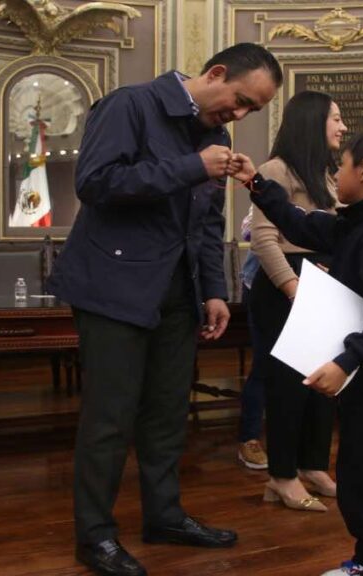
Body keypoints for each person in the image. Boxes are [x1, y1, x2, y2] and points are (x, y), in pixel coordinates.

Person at [46, 43, 281, 576]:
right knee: (110, 418)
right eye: (240, 101)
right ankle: (95, 536)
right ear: (216, 74)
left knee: (167, 415)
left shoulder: (215, 136)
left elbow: (204, 222)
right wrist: (188, 166)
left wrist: (214, 290)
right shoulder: (129, 105)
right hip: (114, 286)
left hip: (178, 294)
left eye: (252, 112)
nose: (239, 117)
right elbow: (96, 184)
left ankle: (165, 516)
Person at [233, 126, 363, 576]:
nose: (335, 172)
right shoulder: (361, 221)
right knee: (358, 476)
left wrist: (348, 360)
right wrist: (256, 184)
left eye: (340, 165)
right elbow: (302, 223)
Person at [249, 90, 347, 511]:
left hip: (325, 286)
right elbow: (264, 238)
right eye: (336, 119)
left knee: (323, 384)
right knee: (288, 386)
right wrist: (294, 289)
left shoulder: (327, 173)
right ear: (312, 122)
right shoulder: (275, 169)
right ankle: (282, 476)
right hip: (286, 288)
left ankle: (313, 465)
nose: (343, 127)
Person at [237, 208, 268, 470]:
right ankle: (249, 438)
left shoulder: (328, 185)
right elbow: (248, 229)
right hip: (261, 284)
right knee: (264, 365)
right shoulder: (274, 178)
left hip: (307, 283)